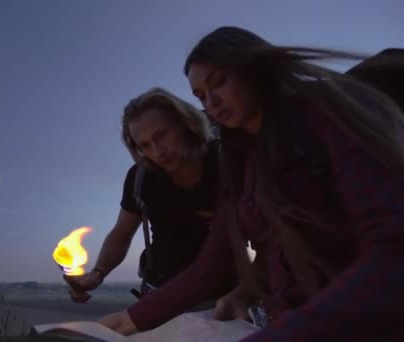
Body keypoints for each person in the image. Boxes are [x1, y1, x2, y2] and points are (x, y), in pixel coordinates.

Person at [100, 26, 404, 340]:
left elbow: (394, 251)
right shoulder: (239, 164)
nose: (212, 101)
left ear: (253, 68)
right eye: (201, 95)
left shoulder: (327, 115)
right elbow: (213, 264)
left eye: (219, 82)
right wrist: (128, 319)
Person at [64, 87, 235, 305]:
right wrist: (98, 273)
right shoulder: (141, 178)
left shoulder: (227, 162)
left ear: (185, 123)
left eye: (161, 135)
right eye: (144, 145)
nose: (157, 151)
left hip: (224, 296)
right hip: (160, 293)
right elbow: (122, 232)